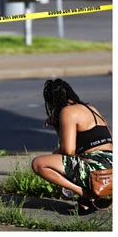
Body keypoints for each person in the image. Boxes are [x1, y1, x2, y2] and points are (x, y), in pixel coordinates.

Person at [32, 79, 112, 214]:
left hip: (98, 170)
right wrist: (58, 125)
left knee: (39, 164)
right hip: (111, 165)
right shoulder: (91, 109)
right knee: (60, 159)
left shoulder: (68, 112)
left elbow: (68, 151)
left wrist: (54, 154)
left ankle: (85, 194)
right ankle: (86, 201)